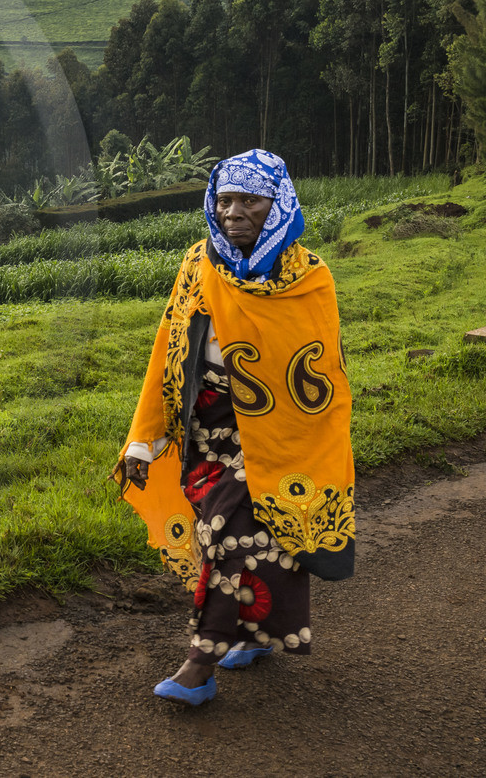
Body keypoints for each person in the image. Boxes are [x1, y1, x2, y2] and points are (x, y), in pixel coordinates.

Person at [115, 149, 355, 706]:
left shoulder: (309, 280)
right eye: (225, 199)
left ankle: (201, 663)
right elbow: (168, 353)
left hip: (281, 440)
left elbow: (322, 377)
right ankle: (256, 635)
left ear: (279, 204)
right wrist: (143, 439)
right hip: (209, 431)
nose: (234, 212)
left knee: (231, 533)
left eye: (250, 200)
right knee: (228, 538)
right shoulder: (199, 265)